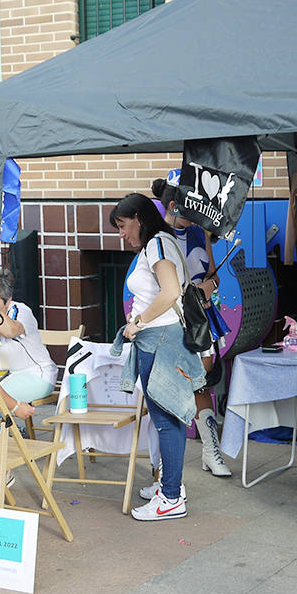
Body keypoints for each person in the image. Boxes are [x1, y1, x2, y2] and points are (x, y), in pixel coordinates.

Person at [110, 193, 206, 522]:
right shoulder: (162, 242)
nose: (122, 233)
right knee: (168, 418)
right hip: (161, 337)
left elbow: (171, 292)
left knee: (166, 420)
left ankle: (171, 497)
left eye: (123, 225)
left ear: (139, 218)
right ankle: (170, 486)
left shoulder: (157, 245)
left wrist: (138, 321)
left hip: (160, 339)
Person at [150, 175, 229, 478]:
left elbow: (213, 275)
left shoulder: (199, 232)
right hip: (169, 322)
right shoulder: (156, 238)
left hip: (199, 320)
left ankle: (210, 452)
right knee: (168, 389)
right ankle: (163, 468)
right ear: (174, 204)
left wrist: (209, 287)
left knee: (202, 383)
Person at [0, 268, 56, 422]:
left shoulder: (20, 310)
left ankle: (8, 432)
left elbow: (10, 331)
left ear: (8, 300)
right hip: (3, 376)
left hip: (37, 375)